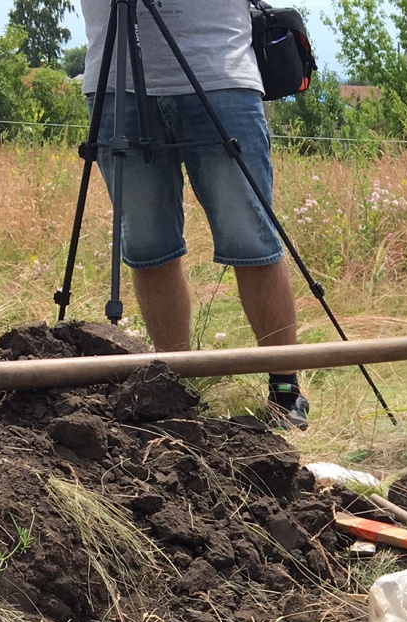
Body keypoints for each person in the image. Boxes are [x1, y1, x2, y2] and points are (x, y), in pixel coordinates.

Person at [79, 0, 308, 427]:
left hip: (219, 72)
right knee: (148, 244)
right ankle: (175, 388)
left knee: (252, 237)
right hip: (116, 82)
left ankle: (284, 388)